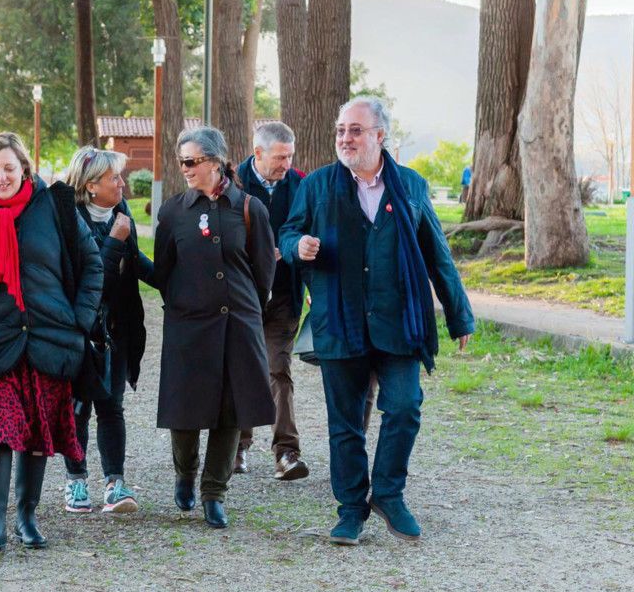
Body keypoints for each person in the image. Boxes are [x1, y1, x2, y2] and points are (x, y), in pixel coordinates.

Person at [278, 96, 474, 546]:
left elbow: (437, 255)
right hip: (339, 319)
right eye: (341, 130)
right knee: (344, 423)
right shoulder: (319, 185)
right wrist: (298, 246)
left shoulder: (411, 185)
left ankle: (388, 493)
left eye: (356, 130)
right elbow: (289, 232)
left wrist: (459, 316)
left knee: (404, 408)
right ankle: (350, 510)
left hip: (398, 320)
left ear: (380, 136)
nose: (345, 138)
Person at [0, 132, 102, 555]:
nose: (2, 176)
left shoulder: (56, 208)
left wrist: (78, 323)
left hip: (49, 339)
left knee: (36, 432)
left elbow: (92, 265)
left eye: (9, 168)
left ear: (24, 168)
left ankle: (27, 516)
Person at [154, 126, 276, 530]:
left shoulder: (249, 207)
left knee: (230, 412)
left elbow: (263, 273)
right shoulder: (173, 211)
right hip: (188, 326)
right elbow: (164, 272)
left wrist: (247, 312)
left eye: (191, 161)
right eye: (181, 162)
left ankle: (214, 493)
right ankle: (185, 473)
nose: (185, 169)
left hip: (237, 323)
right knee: (184, 410)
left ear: (216, 161)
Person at [59, 146, 153, 514]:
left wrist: (175, 285)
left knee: (112, 407)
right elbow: (89, 276)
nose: (123, 184)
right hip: (83, 330)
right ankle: (76, 482)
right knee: (78, 408)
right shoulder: (70, 218)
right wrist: (114, 239)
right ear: (91, 185)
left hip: (117, 328)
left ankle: (115, 483)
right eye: (115, 178)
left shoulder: (120, 212)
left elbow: (137, 262)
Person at [233, 122, 309, 481]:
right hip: (241, 295)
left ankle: (286, 452)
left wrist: (294, 251)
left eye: (290, 156)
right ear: (258, 153)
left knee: (279, 368)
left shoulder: (301, 184)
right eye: (280, 157)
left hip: (283, 294)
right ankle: (237, 446)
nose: (286, 164)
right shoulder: (232, 184)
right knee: (241, 369)